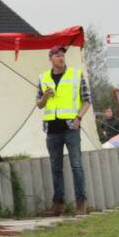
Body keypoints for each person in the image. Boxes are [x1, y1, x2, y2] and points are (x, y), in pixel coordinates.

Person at [36, 45, 91, 216]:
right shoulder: (43, 77)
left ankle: (80, 203)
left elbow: (87, 100)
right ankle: (57, 204)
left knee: (76, 165)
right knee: (55, 167)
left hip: (71, 128)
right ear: (50, 58)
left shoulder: (76, 75)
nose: (61, 58)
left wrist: (79, 118)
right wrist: (45, 96)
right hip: (52, 129)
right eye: (57, 55)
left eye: (62, 56)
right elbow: (39, 104)